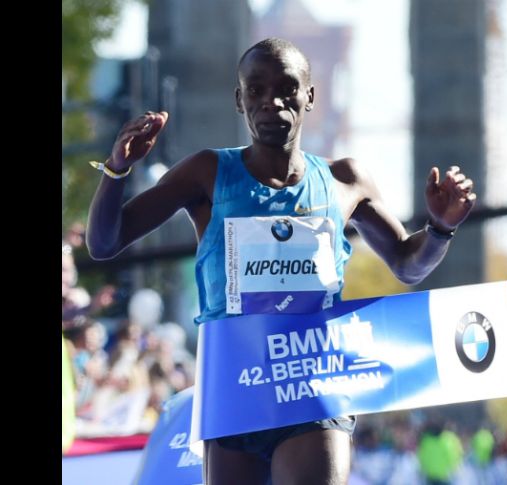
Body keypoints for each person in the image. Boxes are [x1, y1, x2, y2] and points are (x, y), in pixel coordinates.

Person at [87, 37, 475, 484]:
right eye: (256, 89)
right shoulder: (208, 173)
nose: (271, 101)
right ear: (239, 99)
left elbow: (409, 264)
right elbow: (105, 241)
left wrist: (441, 229)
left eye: (287, 87)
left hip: (312, 379)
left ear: (310, 95)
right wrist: (117, 170)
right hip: (235, 381)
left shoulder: (344, 180)